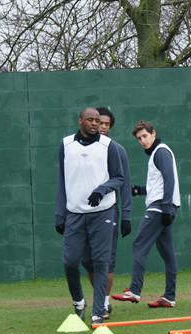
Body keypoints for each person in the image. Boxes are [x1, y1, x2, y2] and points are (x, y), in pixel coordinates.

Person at [55, 107, 126, 324]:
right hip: (74, 213)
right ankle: (78, 301)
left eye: (97, 120)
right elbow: (62, 180)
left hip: (102, 212)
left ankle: (98, 313)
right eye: (90, 120)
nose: (95, 123)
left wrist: (101, 190)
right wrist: (60, 213)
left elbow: (119, 178)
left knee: (101, 262)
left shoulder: (109, 146)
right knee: (70, 262)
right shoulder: (66, 144)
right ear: (80, 121)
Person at [111, 121, 180, 307]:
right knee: (168, 254)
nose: (143, 141)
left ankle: (134, 290)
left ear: (153, 133)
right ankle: (169, 297)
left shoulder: (161, 152)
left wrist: (165, 207)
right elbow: (158, 184)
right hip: (165, 207)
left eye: (145, 136)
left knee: (139, 244)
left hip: (160, 208)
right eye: (139, 138)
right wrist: (140, 190)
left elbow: (169, 179)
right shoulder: (158, 153)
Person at [82, 106, 132, 320]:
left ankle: (103, 301)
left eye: (105, 124)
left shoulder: (116, 149)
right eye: (98, 122)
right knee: (88, 260)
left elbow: (125, 182)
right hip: (82, 214)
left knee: (106, 261)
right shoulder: (77, 147)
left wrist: (127, 215)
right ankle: (100, 297)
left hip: (108, 213)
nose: (101, 127)